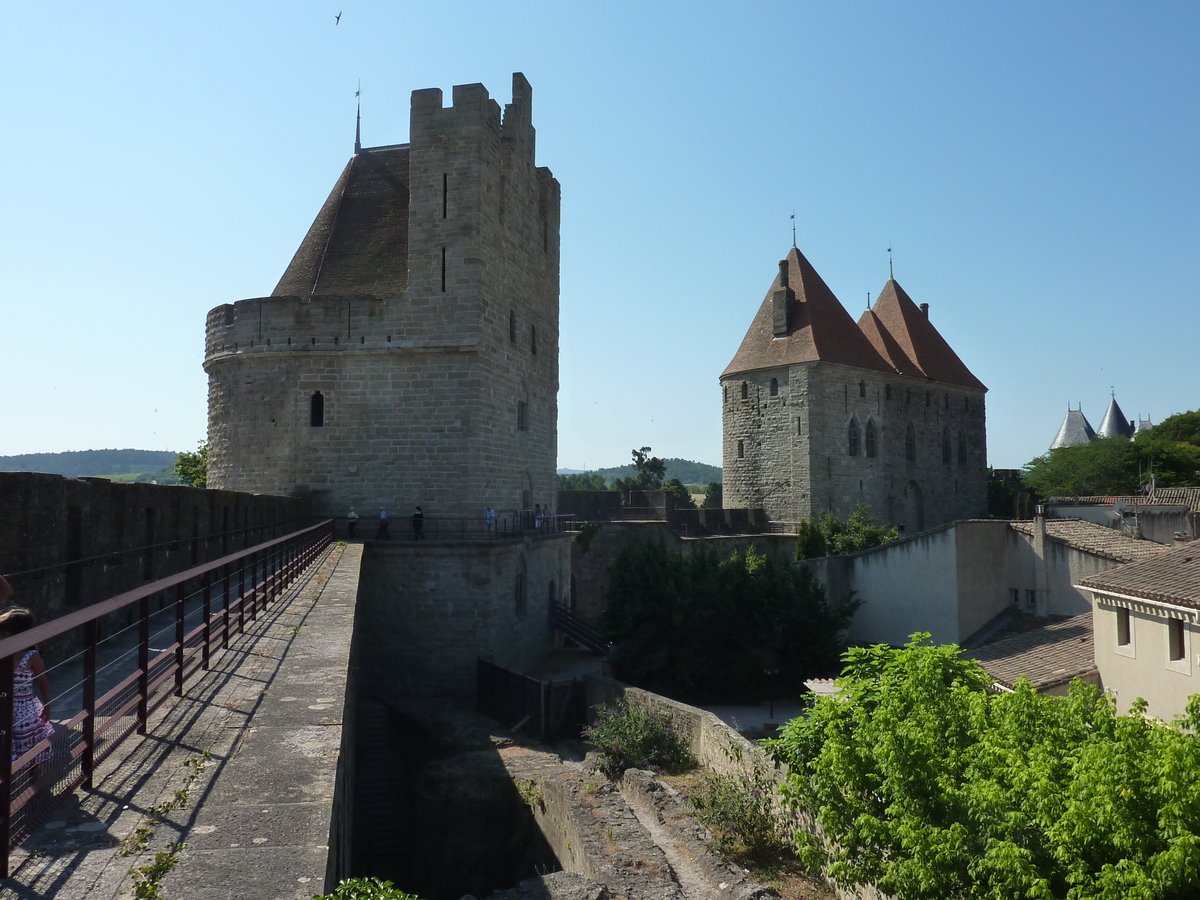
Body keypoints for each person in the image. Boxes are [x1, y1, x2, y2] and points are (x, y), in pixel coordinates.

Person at [0, 608, 55, 768]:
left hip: (25, 711)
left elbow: (43, 682)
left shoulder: (32, 657)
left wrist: (47, 706)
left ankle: (35, 782)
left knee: (30, 752)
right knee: (6, 750)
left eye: (3, 634)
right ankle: (9, 788)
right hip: (4, 708)